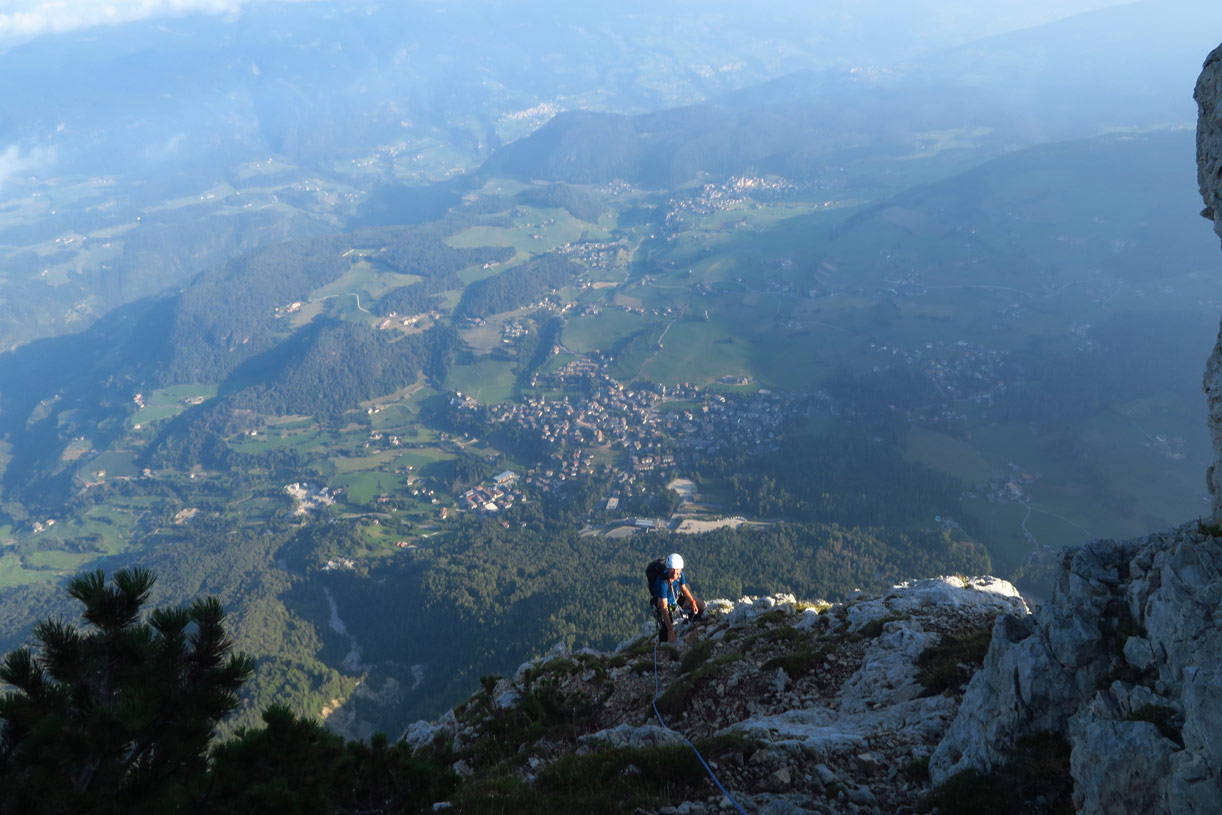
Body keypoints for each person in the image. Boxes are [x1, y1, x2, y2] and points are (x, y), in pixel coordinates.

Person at [651, 552, 706, 643]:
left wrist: (692, 602)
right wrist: (670, 630)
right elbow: (664, 607)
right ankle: (663, 642)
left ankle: (693, 622)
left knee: (702, 606)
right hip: (665, 605)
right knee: (666, 634)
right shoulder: (662, 582)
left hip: (676, 599)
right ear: (668, 569)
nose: (675, 573)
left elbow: (683, 589)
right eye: (673, 570)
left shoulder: (680, 575)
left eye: (678, 570)